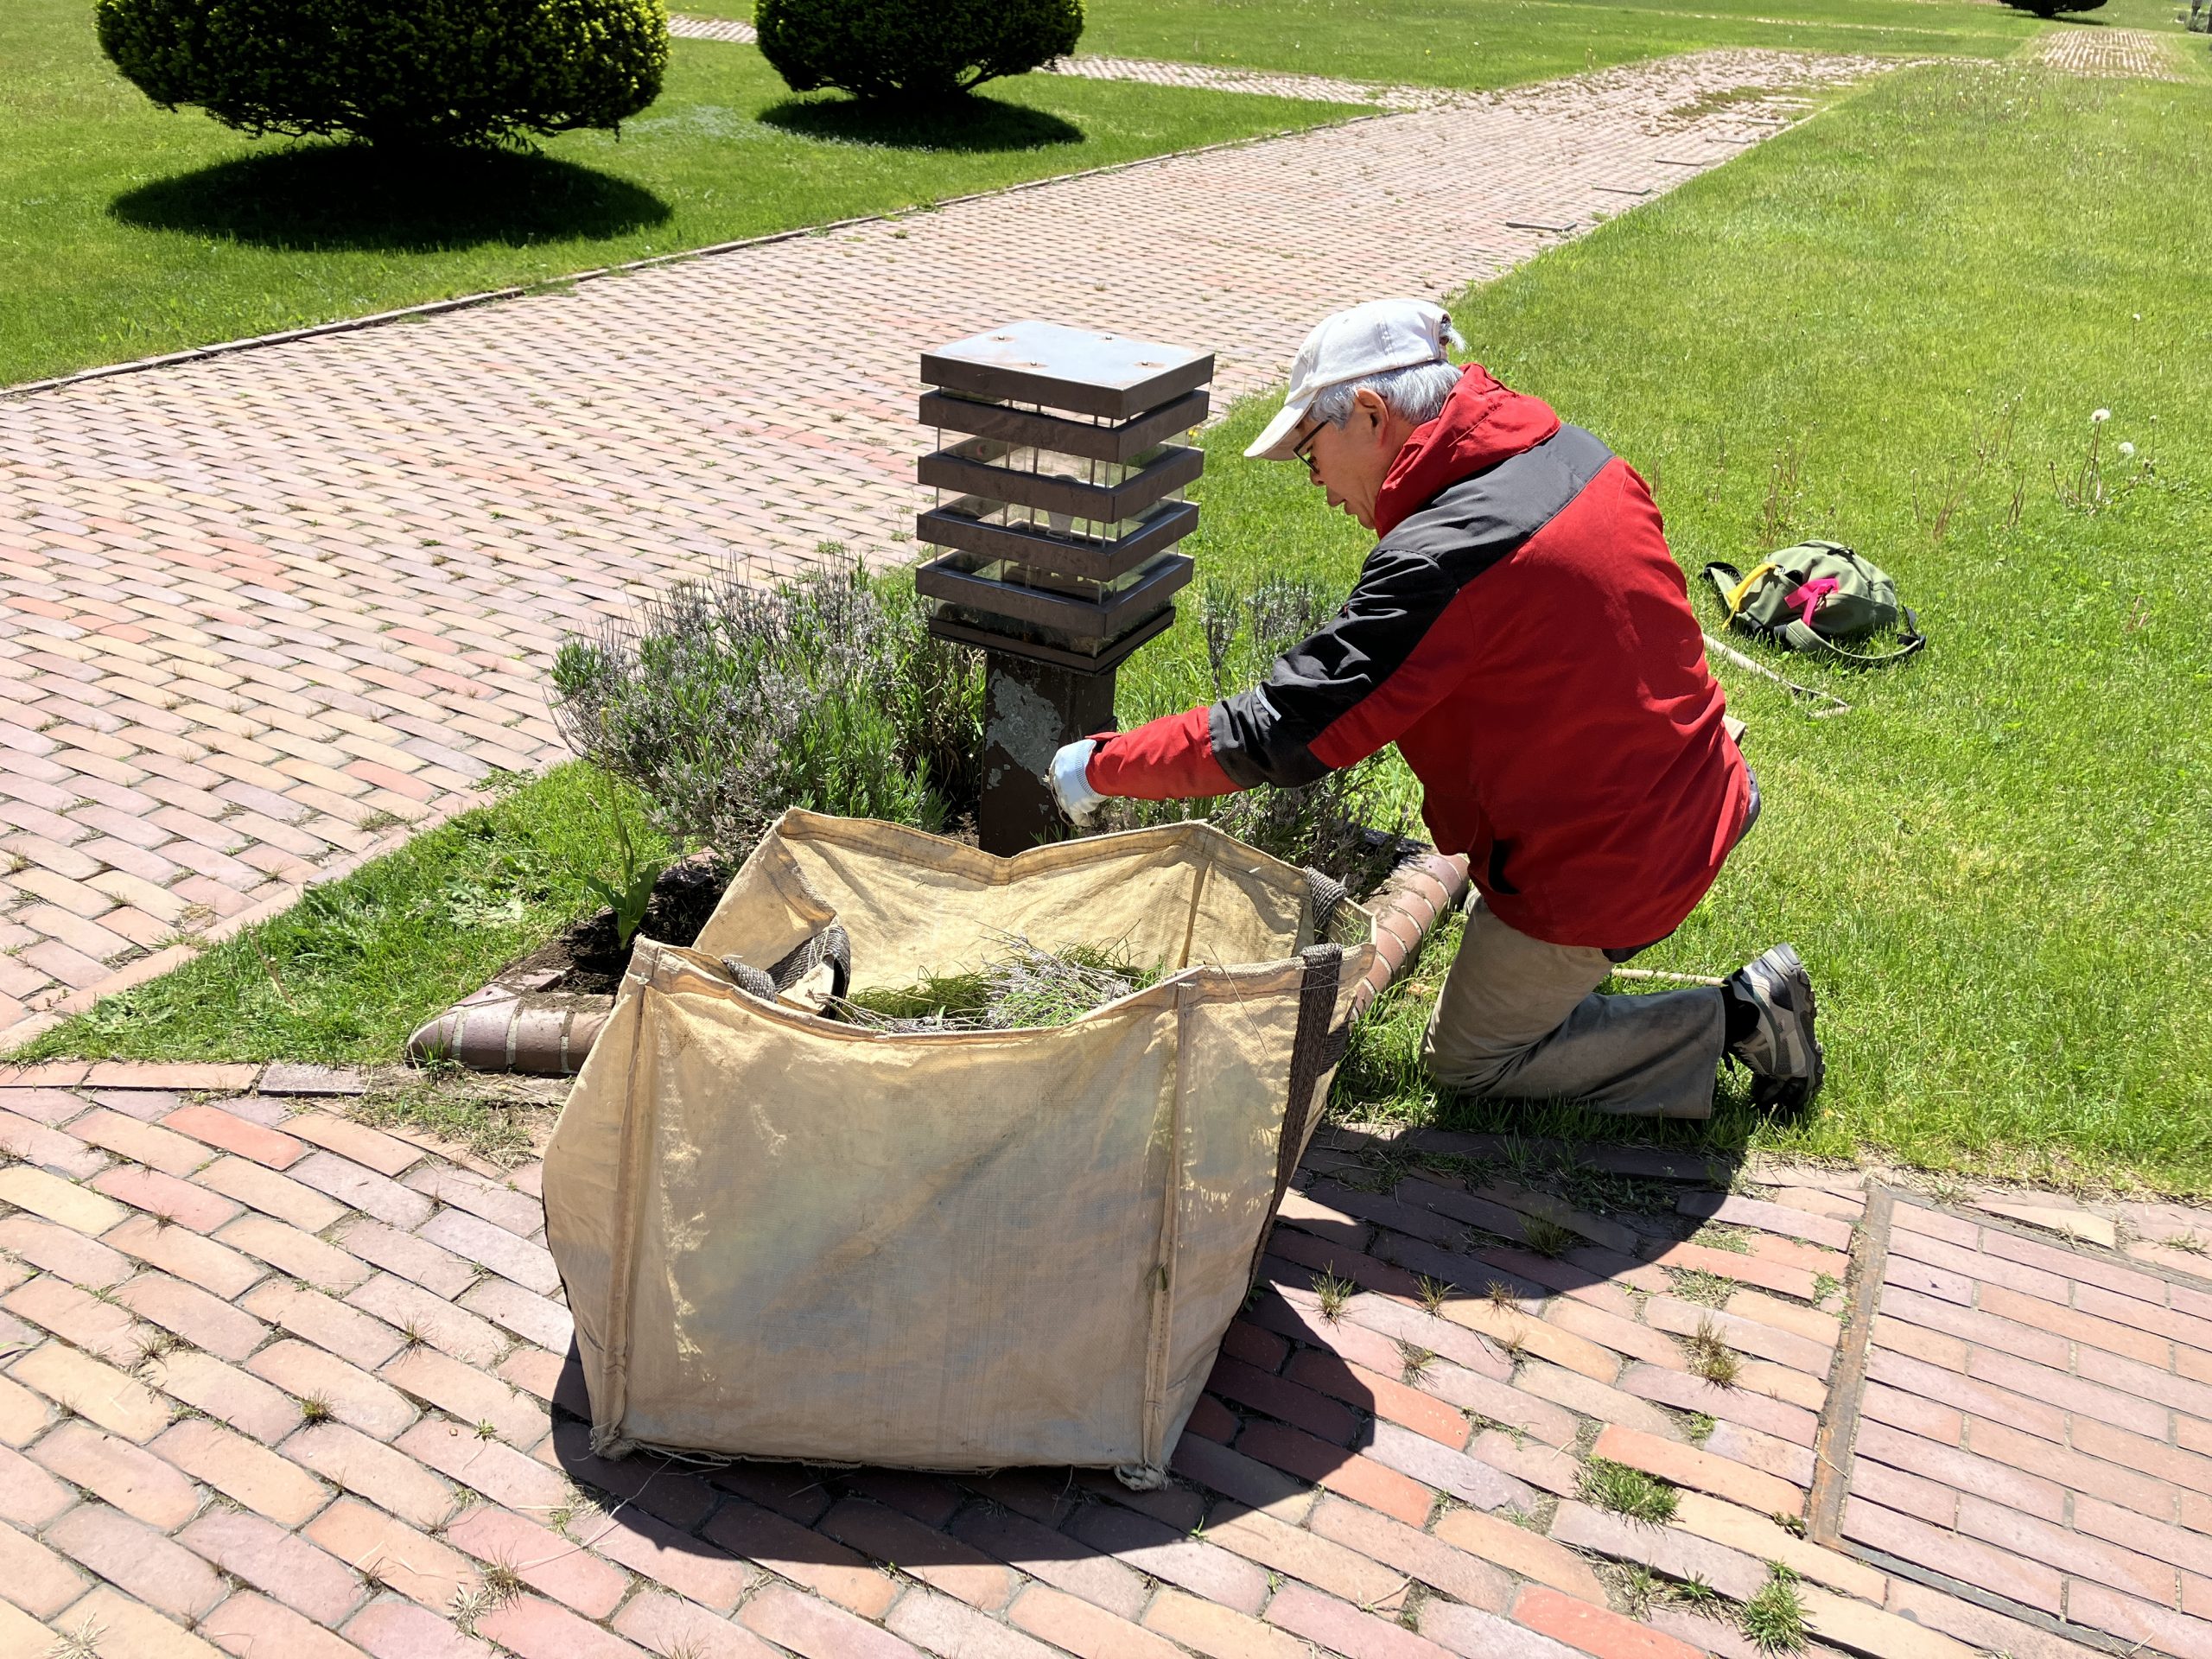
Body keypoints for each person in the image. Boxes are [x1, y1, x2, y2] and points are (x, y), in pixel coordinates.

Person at [1045, 298, 1820, 1119]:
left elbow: (1281, 730)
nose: (1317, 486)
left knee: (1468, 1062)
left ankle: (1746, 1017)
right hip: (1698, 772)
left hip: (1620, 856)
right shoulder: (1567, 451)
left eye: (1309, 453)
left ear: (1371, 415)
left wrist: (1101, 766)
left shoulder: (1444, 562)